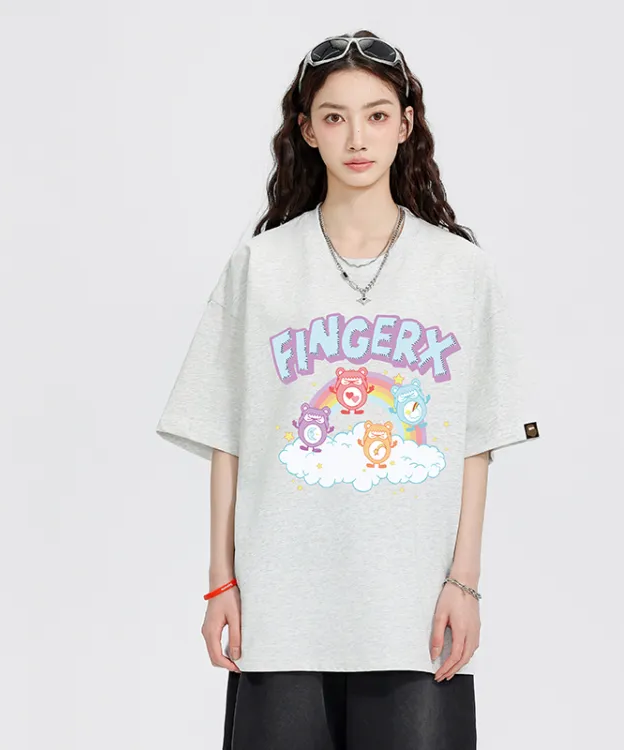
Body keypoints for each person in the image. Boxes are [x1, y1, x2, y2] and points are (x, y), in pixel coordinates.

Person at [155, 29, 541, 750]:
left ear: (406, 124)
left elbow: (476, 442)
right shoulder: (260, 266)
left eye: (376, 114)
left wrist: (464, 583)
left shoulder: (461, 271)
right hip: (280, 614)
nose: (357, 137)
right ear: (307, 130)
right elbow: (227, 438)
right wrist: (220, 583)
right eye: (334, 116)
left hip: (413, 616)